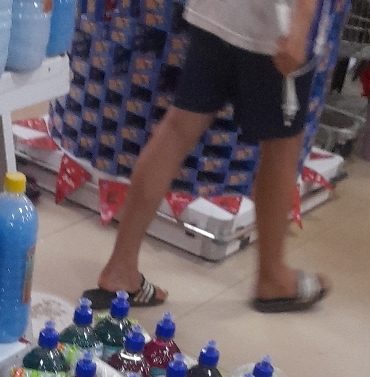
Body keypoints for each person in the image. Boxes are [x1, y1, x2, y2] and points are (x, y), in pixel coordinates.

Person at [84, 0, 330, 314]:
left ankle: (121, 267)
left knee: (176, 129)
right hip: (273, 25)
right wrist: (301, 24)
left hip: (214, 13)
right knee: (282, 146)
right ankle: (273, 277)